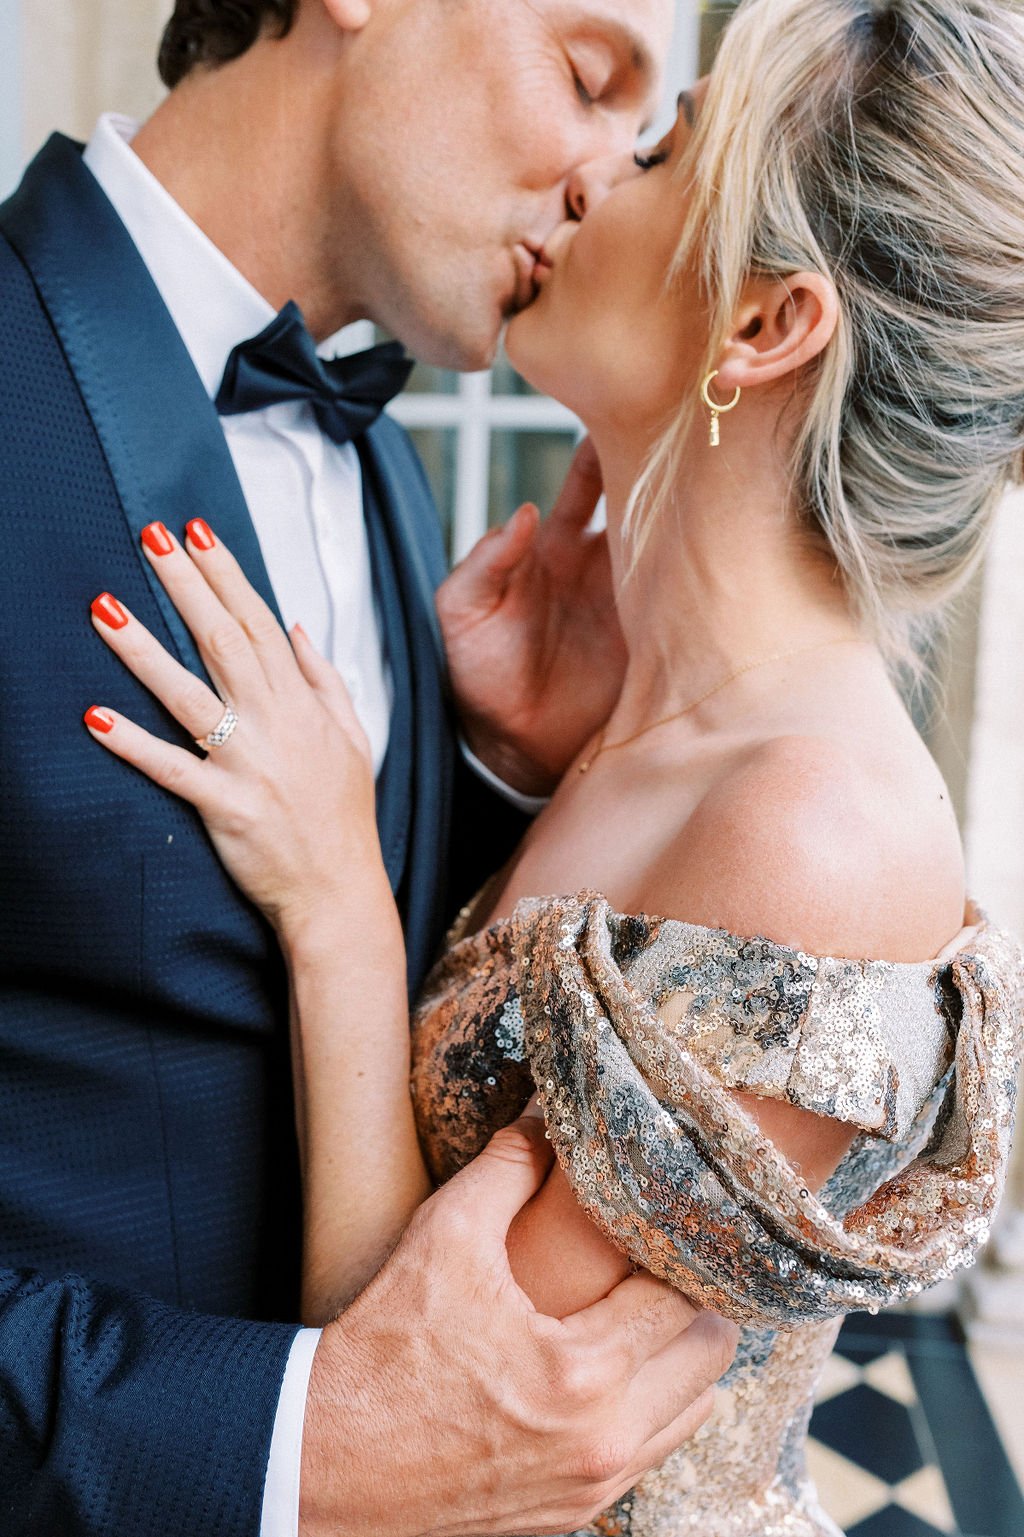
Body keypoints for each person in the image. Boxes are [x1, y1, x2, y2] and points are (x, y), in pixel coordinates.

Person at [83, 0, 1024, 1530]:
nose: (588, 177)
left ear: (766, 326)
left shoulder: (817, 828)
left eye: (658, 151)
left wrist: (338, 906)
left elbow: (438, 1427)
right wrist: (504, 773)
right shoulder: (631, 730)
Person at [0, 0, 742, 1533]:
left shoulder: (386, 472)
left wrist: (490, 776)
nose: (608, 181)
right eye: (588, 77)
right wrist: (290, 1448)